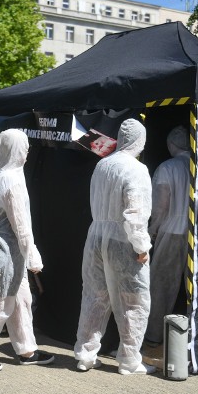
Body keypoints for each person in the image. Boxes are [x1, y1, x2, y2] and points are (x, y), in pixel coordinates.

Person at [0, 129, 54, 372]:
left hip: (9, 248)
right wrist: (33, 254)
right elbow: (21, 224)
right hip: (4, 248)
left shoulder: (4, 174)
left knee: (22, 298)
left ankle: (26, 349)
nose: (27, 151)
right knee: (1, 299)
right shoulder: (11, 179)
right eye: (24, 146)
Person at [74, 118, 155, 375]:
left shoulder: (102, 165)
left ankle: (85, 355)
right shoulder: (136, 169)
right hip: (123, 238)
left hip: (96, 235)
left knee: (94, 296)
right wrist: (141, 245)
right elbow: (135, 212)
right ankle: (130, 361)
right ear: (140, 140)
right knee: (134, 300)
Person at [145, 126, 191, 346]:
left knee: (162, 285)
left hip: (172, 231)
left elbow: (160, 206)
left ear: (171, 144)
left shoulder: (167, 167)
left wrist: (152, 230)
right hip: (196, 234)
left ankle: (154, 335)